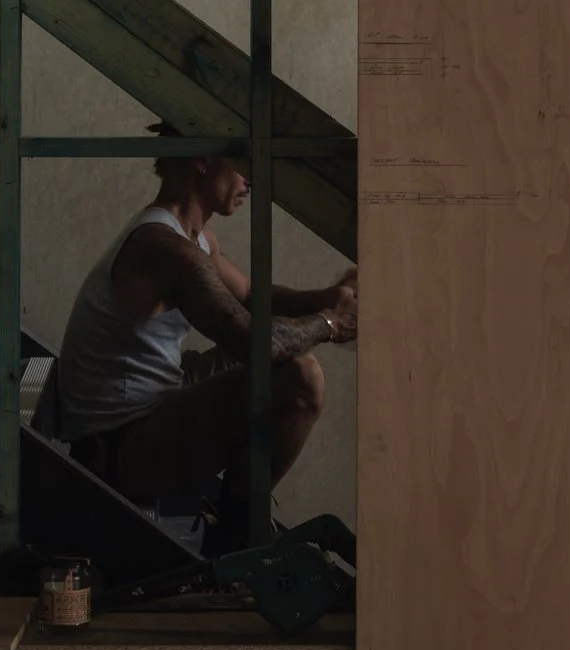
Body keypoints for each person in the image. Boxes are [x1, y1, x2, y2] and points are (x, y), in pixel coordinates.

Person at [55, 130, 357, 534]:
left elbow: (249, 294)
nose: (249, 180)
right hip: (117, 448)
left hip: (153, 403)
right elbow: (253, 342)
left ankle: (238, 517)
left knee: (284, 348)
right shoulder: (166, 249)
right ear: (201, 159)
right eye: (241, 166)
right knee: (301, 377)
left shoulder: (194, 237)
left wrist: (327, 296)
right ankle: (236, 530)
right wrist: (330, 322)